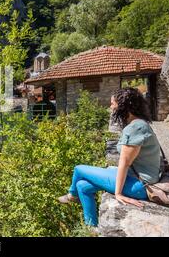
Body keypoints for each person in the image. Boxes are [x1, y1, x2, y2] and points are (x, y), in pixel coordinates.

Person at [58, 88, 162, 227]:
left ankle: (72, 196)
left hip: (140, 185)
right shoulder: (139, 124)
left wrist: (118, 194)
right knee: (82, 186)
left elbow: (124, 163)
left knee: (79, 169)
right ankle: (92, 227)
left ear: (123, 106)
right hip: (136, 179)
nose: (110, 107)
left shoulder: (135, 129)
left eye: (113, 103)